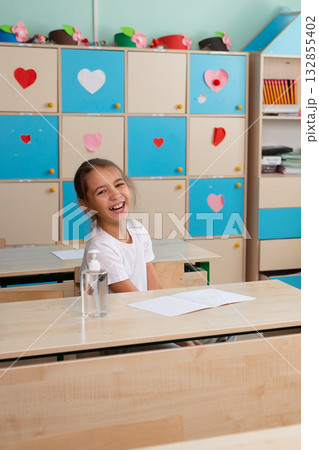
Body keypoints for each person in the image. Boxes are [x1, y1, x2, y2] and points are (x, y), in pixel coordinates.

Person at [74, 158, 200, 348]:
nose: (115, 195)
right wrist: (182, 339)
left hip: (148, 320)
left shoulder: (137, 229)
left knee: (223, 335)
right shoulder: (100, 249)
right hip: (122, 336)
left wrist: (181, 324)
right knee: (181, 351)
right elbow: (137, 302)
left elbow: (154, 287)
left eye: (119, 185)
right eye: (102, 191)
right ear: (87, 206)